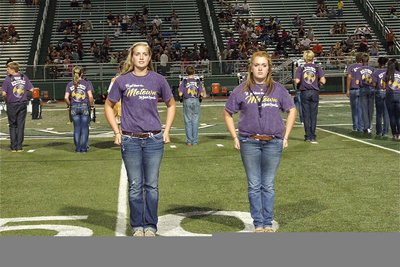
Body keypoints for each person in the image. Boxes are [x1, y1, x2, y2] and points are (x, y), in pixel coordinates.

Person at [104, 42, 176, 237]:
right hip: (130, 140)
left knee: (152, 185)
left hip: (153, 140)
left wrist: (167, 130)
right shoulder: (122, 81)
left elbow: (171, 104)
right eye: (137, 54)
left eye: (145, 54)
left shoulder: (159, 80)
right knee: (135, 185)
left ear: (150, 57)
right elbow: (108, 105)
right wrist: (116, 131)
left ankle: (151, 226)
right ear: (132, 57)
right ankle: (137, 226)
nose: (141, 57)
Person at [224, 51, 296, 233]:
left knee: (268, 185)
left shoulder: (278, 89)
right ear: (251, 68)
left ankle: (268, 222)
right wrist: (234, 136)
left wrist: (286, 136)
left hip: (273, 142)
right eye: (257, 65)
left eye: (264, 65)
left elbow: (292, 110)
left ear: (269, 68)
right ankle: (258, 223)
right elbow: (227, 112)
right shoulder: (241, 89)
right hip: (249, 142)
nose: (260, 68)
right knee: (254, 185)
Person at [1, 61, 34, 152]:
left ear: (12, 69)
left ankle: (13, 146)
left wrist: (6, 97)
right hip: (22, 103)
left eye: (8, 68)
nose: (7, 70)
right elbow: (31, 89)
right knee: (20, 125)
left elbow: (4, 93)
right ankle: (19, 146)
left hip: (12, 104)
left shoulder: (8, 79)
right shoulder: (24, 77)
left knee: (12, 125)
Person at [295, 50, 326, 143]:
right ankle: (313, 136)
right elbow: (323, 81)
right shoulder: (317, 67)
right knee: (313, 115)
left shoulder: (301, 68)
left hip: (304, 92)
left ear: (305, 57)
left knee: (306, 115)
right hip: (314, 92)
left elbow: (297, 81)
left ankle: (307, 136)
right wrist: (318, 82)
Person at [64, 66, 94, 153]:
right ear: (82, 73)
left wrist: (70, 105)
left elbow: (66, 97)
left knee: (76, 128)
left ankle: (78, 148)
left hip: (74, 106)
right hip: (84, 106)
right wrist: (91, 106)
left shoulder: (70, 84)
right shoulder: (86, 83)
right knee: (84, 128)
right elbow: (91, 96)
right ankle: (84, 148)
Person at [178, 66, 206, 146]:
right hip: (196, 100)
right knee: (195, 121)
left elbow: (180, 94)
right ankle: (195, 141)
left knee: (188, 121)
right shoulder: (197, 81)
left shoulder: (184, 81)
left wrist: (179, 87)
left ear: (186, 73)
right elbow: (202, 94)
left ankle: (189, 141)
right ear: (194, 72)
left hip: (187, 100)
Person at [354, 53, 375, 133]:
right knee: (371, 109)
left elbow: (356, 82)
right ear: (368, 60)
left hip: (363, 89)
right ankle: (370, 125)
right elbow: (374, 81)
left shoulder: (359, 70)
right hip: (371, 89)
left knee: (364, 109)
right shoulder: (372, 69)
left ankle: (366, 127)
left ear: (361, 61)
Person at [346, 52, 363, 132]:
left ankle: (355, 127)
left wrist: (348, 90)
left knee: (354, 110)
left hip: (353, 89)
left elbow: (349, 77)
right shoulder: (364, 67)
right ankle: (361, 126)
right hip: (362, 90)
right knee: (362, 109)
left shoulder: (351, 66)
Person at [372, 57, 389, 136]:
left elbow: (374, 84)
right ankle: (385, 132)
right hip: (388, 92)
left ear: (379, 63)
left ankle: (379, 131)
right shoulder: (389, 71)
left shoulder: (376, 72)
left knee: (379, 113)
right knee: (386, 113)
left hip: (379, 92)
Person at [385, 59, 400, 140]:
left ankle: (394, 133)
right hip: (399, 95)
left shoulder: (387, 74)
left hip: (389, 95)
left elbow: (383, 85)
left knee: (392, 116)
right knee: (399, 117)